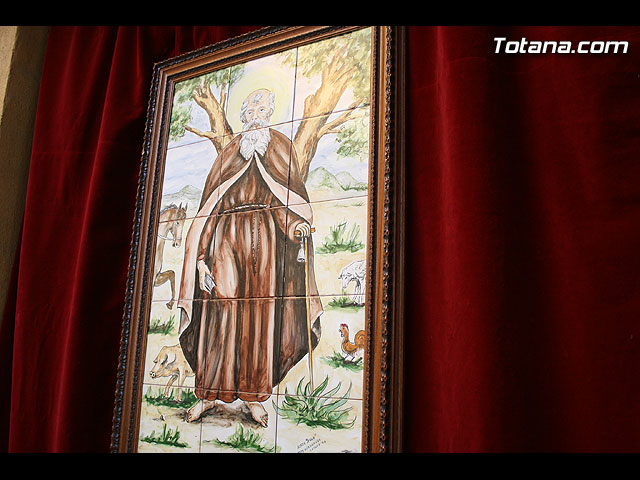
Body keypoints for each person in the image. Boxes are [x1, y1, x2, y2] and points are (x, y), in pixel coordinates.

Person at [176, 88, 323, 427]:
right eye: (252, 109)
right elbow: (210, 209)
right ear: (243, 114)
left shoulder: (280, 147)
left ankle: (253, 396)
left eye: (263, 109)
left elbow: (284, 201)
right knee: (221, 309)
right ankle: (208, 393)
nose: (257, 114)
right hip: (225, 241)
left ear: (270, 114)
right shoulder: (230, 152)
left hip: (266, 242)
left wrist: (296, 225)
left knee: (260, 316)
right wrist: (201, 258)